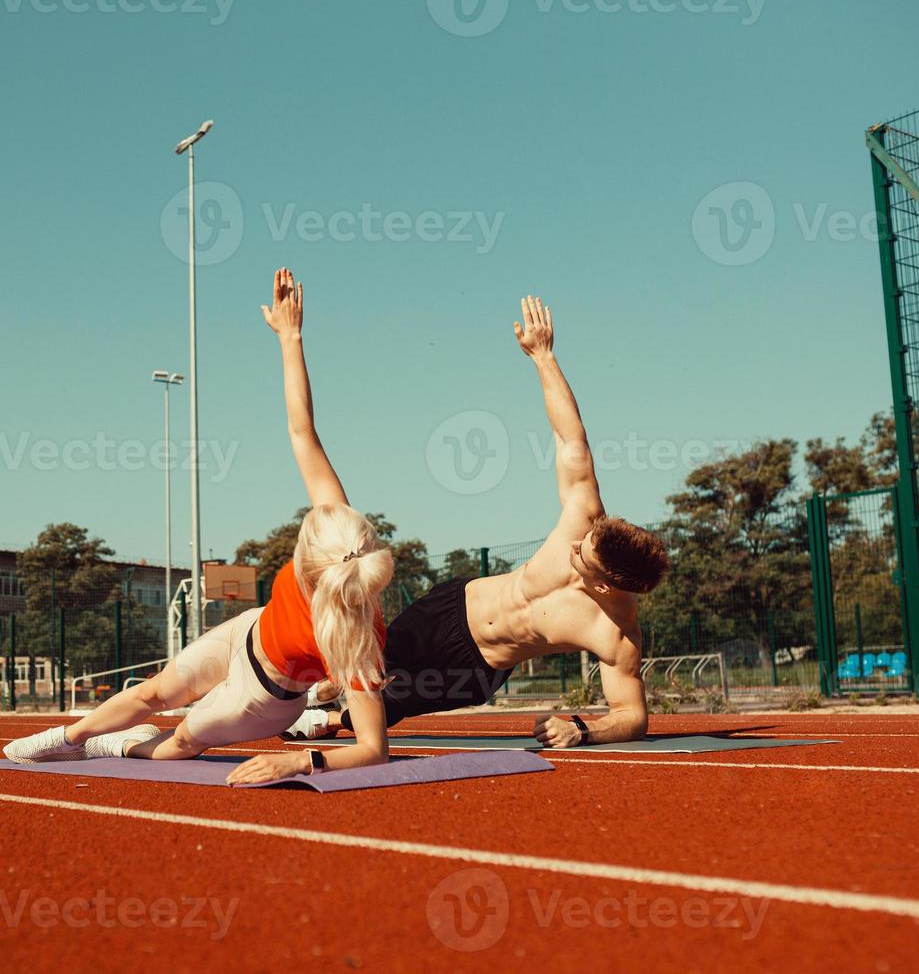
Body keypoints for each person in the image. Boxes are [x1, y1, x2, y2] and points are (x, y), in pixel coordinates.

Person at [2, 268, 394, 784]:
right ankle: (68, 739)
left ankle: (121, 747)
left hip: (263, 699)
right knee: (156, 690)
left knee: (182, 740)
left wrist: (300, 758)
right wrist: (290, 337)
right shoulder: (338, 531)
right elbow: (303, 430)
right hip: (246, 631)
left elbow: (374, 749)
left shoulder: (356, 637)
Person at [285, 295, 669, 749]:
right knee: (367, 660)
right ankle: (319, 693)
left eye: (581, 557)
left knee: (381, 709)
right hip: (452, 609)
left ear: (605, 586)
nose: (574, 547)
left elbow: (632, 716)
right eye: (583, 542)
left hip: (475, 667)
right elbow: (571, 437)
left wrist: (581, 729)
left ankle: (329, 720)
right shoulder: (585, 515)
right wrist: (544, 356)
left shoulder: (616, 633)